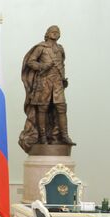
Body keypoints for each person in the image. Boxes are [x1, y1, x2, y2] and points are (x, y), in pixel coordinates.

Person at [19, 25, 75, 153]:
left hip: (58, 83)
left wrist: (63, 79)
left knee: (61, 107)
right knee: (42, 108)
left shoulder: (60, 49)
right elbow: (30, 62)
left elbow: (62, 64)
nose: (55, 33)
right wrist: (43, 66)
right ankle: (42, 137)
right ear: (47, 33)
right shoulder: (41, 47)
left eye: (57, 32)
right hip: (44, 82)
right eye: (52, 31)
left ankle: (64, 135)